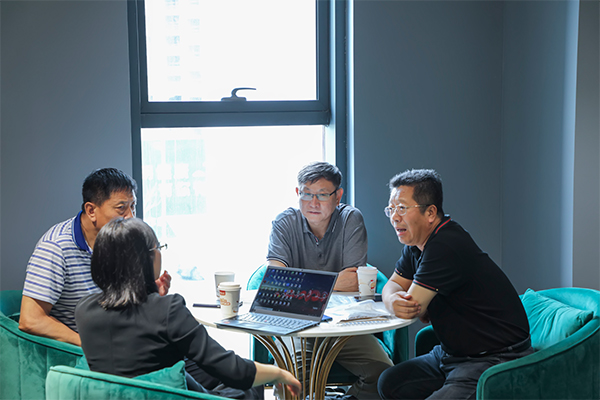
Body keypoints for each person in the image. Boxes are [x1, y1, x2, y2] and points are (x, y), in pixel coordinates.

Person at [75, 218, 301, 399]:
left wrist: (151, 294)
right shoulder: (168, 308)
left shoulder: (84, 310)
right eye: (158, 248)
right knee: (249, 387)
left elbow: (134, 339)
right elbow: (231, 369)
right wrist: (279, 373)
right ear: (144, 259)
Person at [378, 169, 532, 400]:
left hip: (495, 357)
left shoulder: (446, 244)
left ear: (430, 212)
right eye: (391, 209)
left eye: (402, 208)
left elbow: (413, 305)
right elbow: (392, 285)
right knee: (390, 383)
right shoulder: (416, 246)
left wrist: (404, 301)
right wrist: (391, 299)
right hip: (452, 354)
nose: (394, 217)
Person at [267, 161, 393, 400]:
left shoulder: (350, 219)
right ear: (297, 193)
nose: (313, 203)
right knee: (290, 381)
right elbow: (277, 281)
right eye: (307, 194)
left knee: (383, 373)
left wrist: (299, 283)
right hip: (296, 324)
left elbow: (354, 281)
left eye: (323, 195)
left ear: (338, 196)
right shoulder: (284, 223)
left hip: (344, 325)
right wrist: (335, 282)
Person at [19, 167, 171, 346]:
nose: (130, 217)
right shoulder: (55, 247)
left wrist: (151, 293)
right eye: (121, 208)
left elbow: (121, 303)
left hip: (120, 336)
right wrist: (91, 346)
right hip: (86, 349)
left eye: (133, 207)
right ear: (91, 210)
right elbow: (31, 320)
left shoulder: (121, 240)